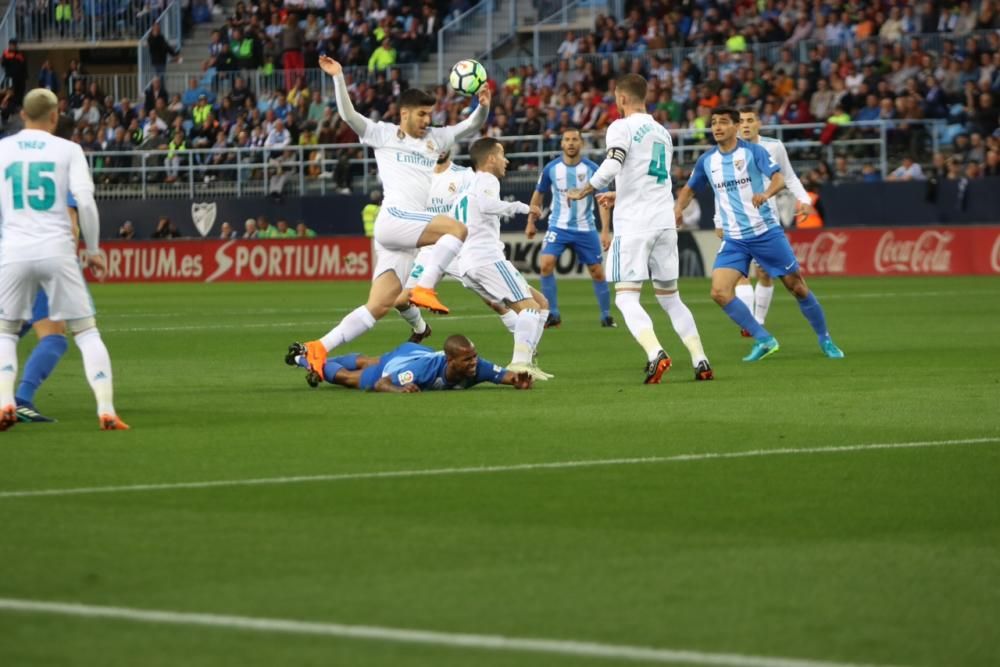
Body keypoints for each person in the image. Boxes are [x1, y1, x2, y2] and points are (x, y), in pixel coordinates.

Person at [292, 55, 490, 379]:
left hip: (403, 237)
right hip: (396, 216)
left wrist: (482, 106)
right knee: (456, 229)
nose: (428, 120)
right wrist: (338, 77)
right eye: (422, 114)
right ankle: (425, 288)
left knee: (378, 306)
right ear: (404, 114)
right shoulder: (382, 134)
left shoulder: (435, 139)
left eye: (430, 114)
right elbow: (349, 115)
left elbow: (471, 126)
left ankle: (319, 347)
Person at [567, 74, 712, 384]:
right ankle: (701, 359)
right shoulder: (662, 132)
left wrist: (587, 188)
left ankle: (655, 352)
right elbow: (651, 177)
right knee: (671, 297)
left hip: (634, 224)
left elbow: (614, 163)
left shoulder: (621, 127)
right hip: (663, 220)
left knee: (625, 297)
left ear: (620, 98)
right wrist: (618, 194)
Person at [674, 106, 845, 363]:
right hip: (734, 239)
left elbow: (778, 178)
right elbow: (689, 189)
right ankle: (764, 339)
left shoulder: (755, 152)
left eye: (723, 122)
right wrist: (677, 209)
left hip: (765, 232)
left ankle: (826, 339)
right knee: (719, 292)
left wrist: (766, 194)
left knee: (796, 287)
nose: (717, 127)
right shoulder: (707, 160)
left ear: (734, 127)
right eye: (713, 123)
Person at [0, 89, 128, 431]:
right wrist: (94, 249)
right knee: (79, 333)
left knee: (7, 333)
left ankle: (5, 401)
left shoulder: (2, 151)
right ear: (54, 116)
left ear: (22, 114)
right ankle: (104, 408)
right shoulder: (67, 152)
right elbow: (83, 206)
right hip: (54, 252)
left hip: (11, 252)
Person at [396, 150, 549, 344]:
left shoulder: (465, 174)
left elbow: (481, 205)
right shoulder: (418, 179)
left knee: (496, 302)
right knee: (401, 301)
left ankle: (527, 344)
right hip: (432, 249)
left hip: (460, 247)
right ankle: (421, 328)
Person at [457, 137, 551, 380]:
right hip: (485, 257)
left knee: (541, 304)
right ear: (490, 159)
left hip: (469, 262)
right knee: (529, 308)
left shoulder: (468, 184)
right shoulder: (488, 179)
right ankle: (520, 365)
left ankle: (528, 359)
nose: (506, 160)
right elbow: (488, 205)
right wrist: (523, 207)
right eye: (502, 155)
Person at [726, 107, 815, 332]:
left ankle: (758, 321)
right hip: (736, 218)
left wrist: (805, 200)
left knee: (765, 273)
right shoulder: (728, 149)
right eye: (741, 121)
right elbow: (720, 187)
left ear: (759, 124)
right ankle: (750, 326)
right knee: (739, 272)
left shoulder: (774, 146)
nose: (745, 125)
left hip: (766, 219)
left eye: (749, 120)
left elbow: (789, 177)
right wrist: (719, 219)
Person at [527, 127, 614, 329]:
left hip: (586, 228)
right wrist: (531, 221)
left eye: (575, 139)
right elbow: (538, 195)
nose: (571, 143)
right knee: (546, 264)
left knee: (597, 272)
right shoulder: (551, 169)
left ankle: (606, 316)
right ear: (562, 144)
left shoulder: (593, 169)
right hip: (558, 226)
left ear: (581, 143)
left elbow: (603, 201)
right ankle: (553, 314)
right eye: (567, 139)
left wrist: (605, 231)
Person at [286, 335, 533, 392]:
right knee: (349, 378)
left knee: (371, 360)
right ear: (450, 360)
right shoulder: (421, 373)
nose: (473, 362)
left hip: (414, 351)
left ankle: (308, 354)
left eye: (474, 356)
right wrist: (399, 390)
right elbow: (383, 383)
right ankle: (306, 360)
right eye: (467, 359)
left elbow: (507, 376)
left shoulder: (478, 367)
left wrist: (517, 380)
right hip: (404, 365)